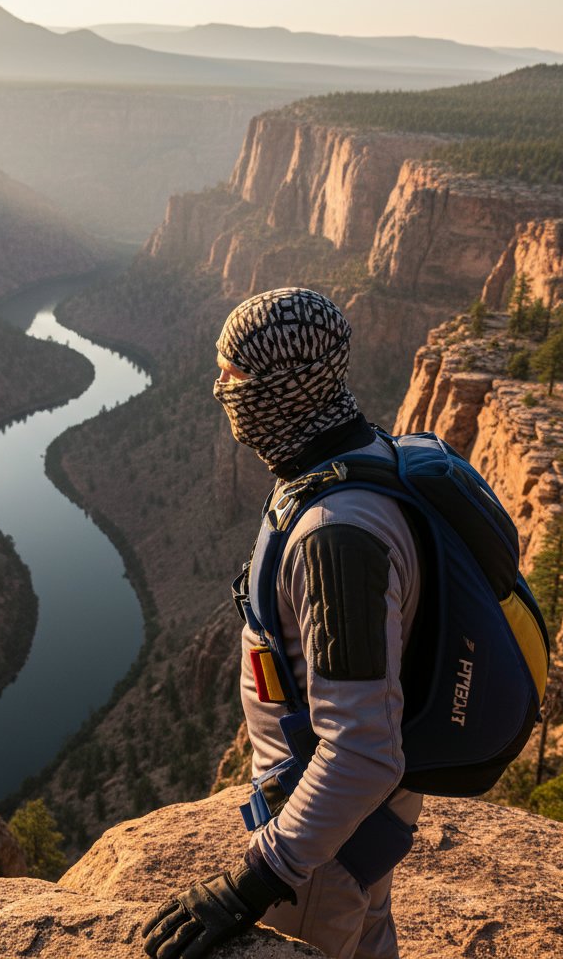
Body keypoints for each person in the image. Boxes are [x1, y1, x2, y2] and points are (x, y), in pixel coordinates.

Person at [142, 288, 422, 959]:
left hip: (324, 845)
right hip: (349, 826)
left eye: (233, 374)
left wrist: (253, 882)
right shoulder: (352, 454)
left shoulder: (337, 534)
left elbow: (361, 749)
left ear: (283, 387)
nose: (219, 388)